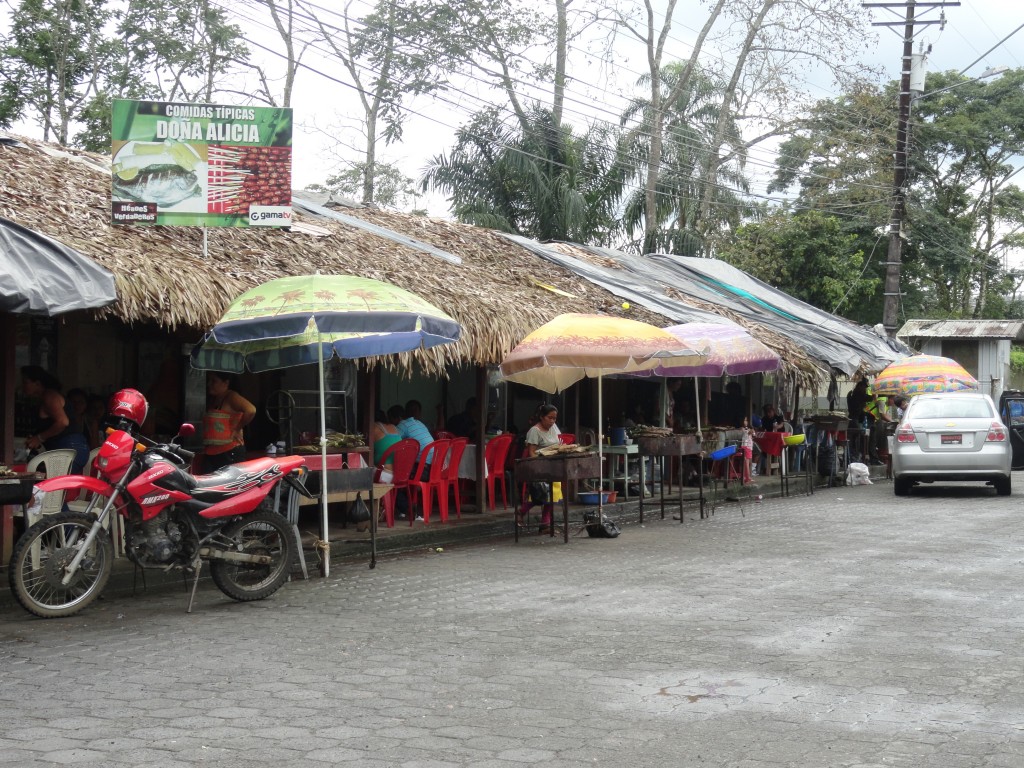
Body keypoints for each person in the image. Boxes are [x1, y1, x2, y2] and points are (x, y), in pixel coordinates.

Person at [21, 366, 90, 474]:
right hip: (63, 449)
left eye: (26, 382)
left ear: (37, 384)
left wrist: (39, 438)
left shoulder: (50, 396)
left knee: (59, 487)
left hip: (69, 448)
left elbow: (63, 422)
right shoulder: (42, 399)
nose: (23, 386)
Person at [201, 372, 256, 473]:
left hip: (229, 453)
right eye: (209, 380)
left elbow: (251, 410)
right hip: (211, 454)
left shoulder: (231, 397)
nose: (209, 384)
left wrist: (237, 428)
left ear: (226, 383)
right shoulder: (214, 399)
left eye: (214, 381)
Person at [523, 404, 561, 534]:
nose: (552, 421)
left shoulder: (553, 429)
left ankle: (545, 524)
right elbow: (532, 452)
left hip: (553, 465)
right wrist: (540, 466)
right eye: (549, 418)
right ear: (542, 417)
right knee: (541, 494)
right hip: (540, 467)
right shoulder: (534, 431)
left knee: (554, 494)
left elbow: (557, 444)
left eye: (554, 418)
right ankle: (521, 512)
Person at [846, 379, 871, 463]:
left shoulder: (852, 393)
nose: (865, 389)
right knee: (858, 439)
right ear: (860, 386)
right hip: (854, 420)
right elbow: (869, 398)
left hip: (852, 419)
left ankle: (853, 456)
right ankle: (855, 456)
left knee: (852, 440)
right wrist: (875, 394)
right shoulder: (858, 394)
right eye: (864, 387)